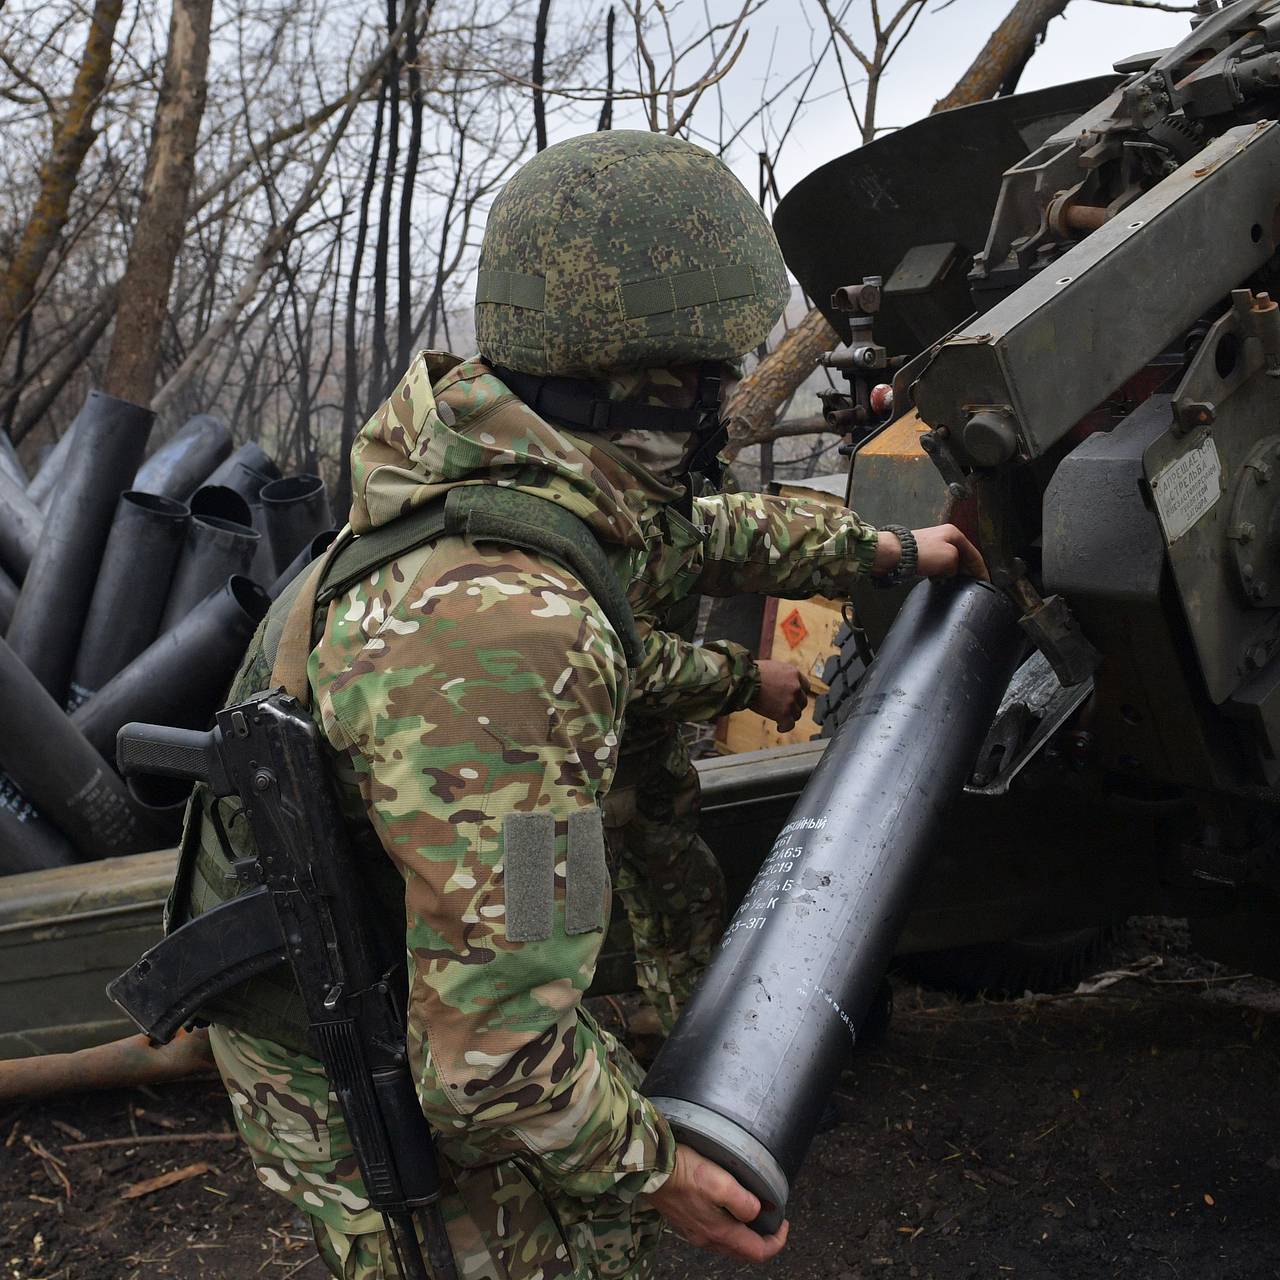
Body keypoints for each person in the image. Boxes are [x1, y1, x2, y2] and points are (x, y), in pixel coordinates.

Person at [169, 129, 984, 1279]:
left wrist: (890, 549)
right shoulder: (511, 630)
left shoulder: (508, 461)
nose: (725, 398)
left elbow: (699, 529)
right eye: (719, 371)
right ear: (664, 381)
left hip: (419, 974)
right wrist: (659, 1168)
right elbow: (492, 1054)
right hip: (344, 1031)